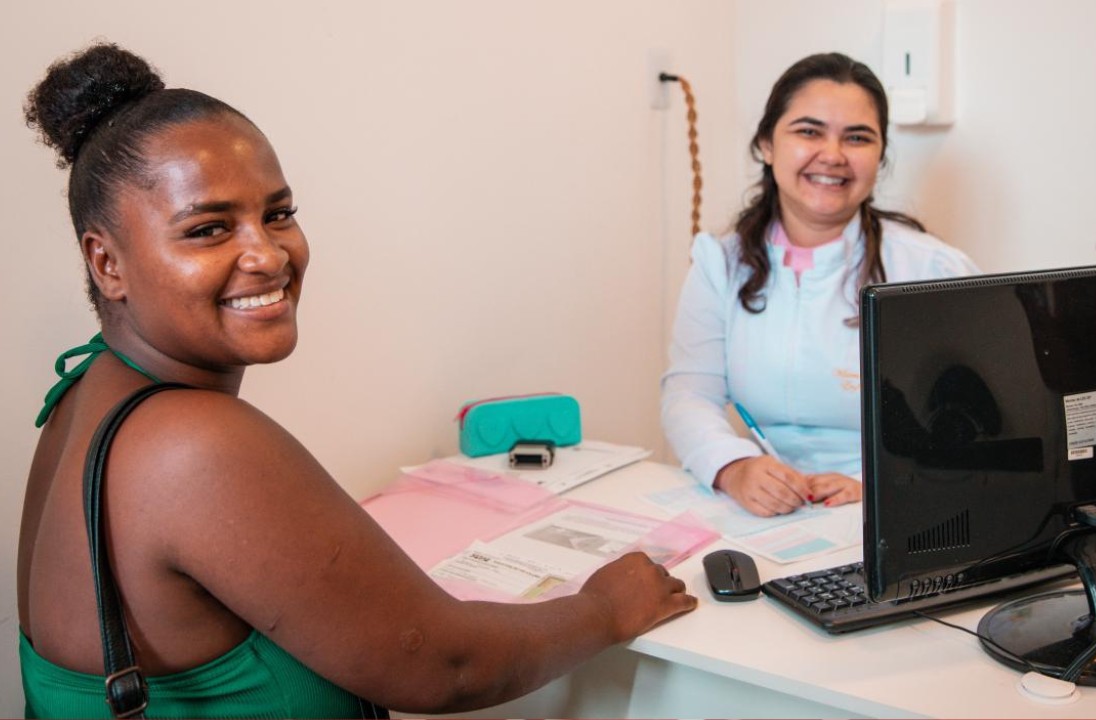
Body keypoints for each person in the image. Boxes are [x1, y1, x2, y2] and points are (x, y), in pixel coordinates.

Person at [17, 43, 696, 718]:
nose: (267, 254)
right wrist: (604, 609)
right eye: (210, 229)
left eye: (278, 214)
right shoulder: (192, 444)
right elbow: (446, 666)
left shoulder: (84, 391)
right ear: (107, 264)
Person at [661, 52, 979, 518]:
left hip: (895, 508)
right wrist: (733, 467)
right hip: (763, 507)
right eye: (809, 131)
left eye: (857, 137)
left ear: (880, 157)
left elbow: (971, 423)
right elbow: (689, 394)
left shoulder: (932, 270)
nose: (832, 155)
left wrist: (880, 484)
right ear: (767, 145)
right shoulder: (719, 263)